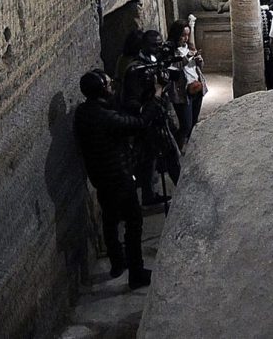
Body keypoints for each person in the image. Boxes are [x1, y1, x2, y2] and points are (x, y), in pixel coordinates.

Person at [73, 69, 159, 289]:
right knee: (133, 222)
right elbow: (138, 124)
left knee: (110, 220)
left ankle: (117, 263)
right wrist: (154, 100)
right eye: (109, 84)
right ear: (102, 89)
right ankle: (137, 273)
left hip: (100, 177)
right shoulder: (105, 116)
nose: (112, 86)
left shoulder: (83, 113)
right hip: (119, 176)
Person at [121, 29, 175, 205]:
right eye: (154, 45)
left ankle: (153, 194)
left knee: (159, 157)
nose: (158, 48)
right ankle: (153, 194)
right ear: (144, 45)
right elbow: (131, 100)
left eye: (160, 44)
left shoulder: (157, 60)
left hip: (159, 113)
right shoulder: (136, 69)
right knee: (159, 157)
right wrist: (152, 98)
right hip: (147, 120)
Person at [165, 19, 207, 151]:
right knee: (186, 125)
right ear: (176, 34)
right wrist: (185, 58)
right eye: (183, 35)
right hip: (181, 91)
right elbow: (171, 69)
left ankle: (188, 149)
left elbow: (197, 68)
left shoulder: (189, 47)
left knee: (194, 122)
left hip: (196, 87)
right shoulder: (169, 51)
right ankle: (175, 150)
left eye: (187, 35)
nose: (186, 38)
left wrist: (199, 61)